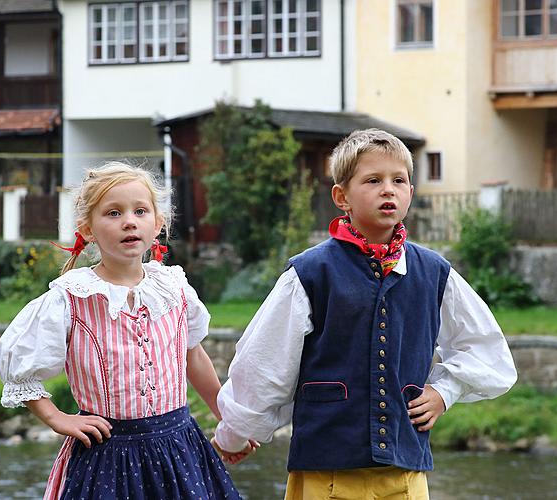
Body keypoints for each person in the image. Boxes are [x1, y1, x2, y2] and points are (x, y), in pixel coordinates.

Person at [212, 129, 518, 499]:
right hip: (327, 471)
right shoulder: (311, 274)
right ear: (342, 196)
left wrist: (444, 390)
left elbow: (487, 350)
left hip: (404, 475)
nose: (388, 189)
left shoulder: (435, 273)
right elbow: (263, 364)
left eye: (399, 180)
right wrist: (235, 432)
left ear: (411, 193)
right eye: (373, 180)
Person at [0, 162, 252, 500]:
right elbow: (20, 371)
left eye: (140, 211)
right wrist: (58, 418)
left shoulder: (173, 287)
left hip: (179, 449)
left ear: (157, 224)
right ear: (87, 229)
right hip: (107, 457)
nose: (129, 221)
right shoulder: (72, 298)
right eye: (113, 213)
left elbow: (194, 357)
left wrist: (228, 419)